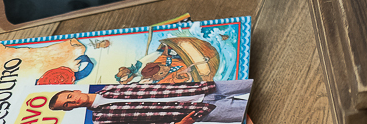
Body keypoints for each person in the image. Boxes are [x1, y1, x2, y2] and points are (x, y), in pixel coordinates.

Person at [48, 80, 252, 123]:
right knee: (250, 112)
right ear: (69, 110)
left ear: (74, 90)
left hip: (198, 88)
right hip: (197, 110)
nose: (72, 101)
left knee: (255, 86)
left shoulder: (109, 87)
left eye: (68, 96)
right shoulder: (102, 119)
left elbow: (147, 86)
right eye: (67, 105)